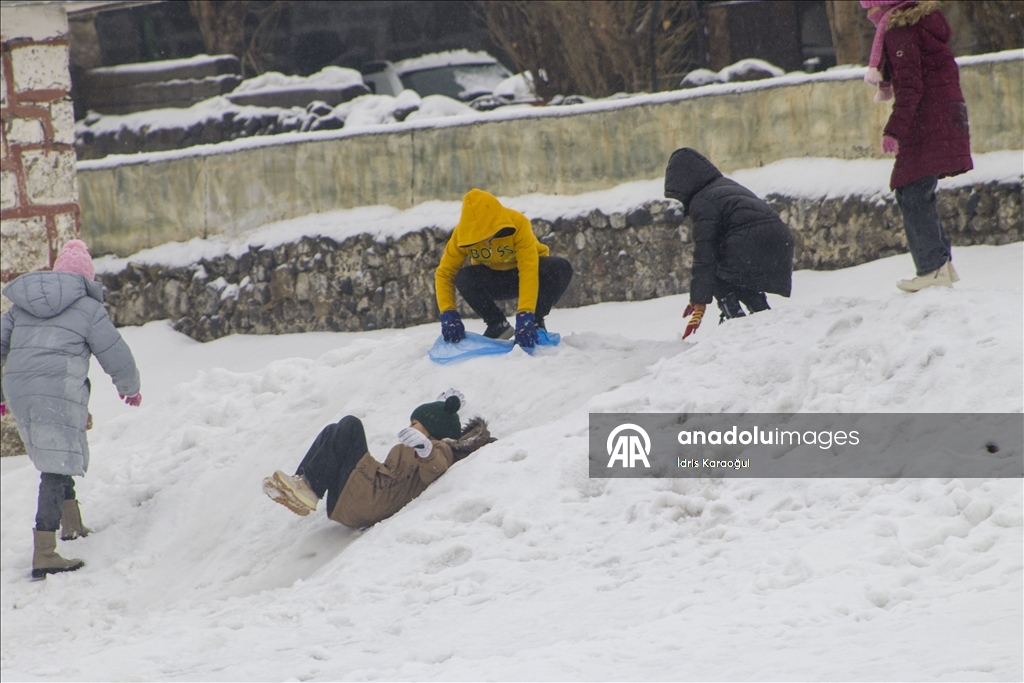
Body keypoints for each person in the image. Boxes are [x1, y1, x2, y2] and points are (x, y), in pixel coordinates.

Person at [0, 240, 142, 579]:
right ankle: (45, 552)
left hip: (20, 390)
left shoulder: (21, 307)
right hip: (58, 387)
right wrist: (130, 388)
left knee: (56, 452)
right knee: (55, 463)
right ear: (86, 279)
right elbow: (116, 353)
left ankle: (72, 525)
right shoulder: (88, 308)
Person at [861, 0, 973, 292]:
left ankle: (933, 268)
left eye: (870, 8)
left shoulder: (901, 31)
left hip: (928, 119)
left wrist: (893, 131)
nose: (868, 14)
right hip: (941, 115)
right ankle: (941, 266)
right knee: (917, 190)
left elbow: (911, 86)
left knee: (911, 190)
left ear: (886, 6)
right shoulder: (919, 25)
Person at [263, 390, 493, 528]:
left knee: (350, 425)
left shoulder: (440, 448)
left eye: (414, 423)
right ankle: (301, 484)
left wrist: (426, 449)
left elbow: (437, 467)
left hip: (373, 497)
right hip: (361, 500)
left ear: (432, 426)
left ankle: (307, 488)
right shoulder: (420, 445)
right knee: (332, 430)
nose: (410, 426)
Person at [663, 148, 794, 339]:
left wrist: (699, 300)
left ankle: (735, 319)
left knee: (714, 270)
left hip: (750, 242)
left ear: (684, 184)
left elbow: (704, 253)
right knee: (738, 275)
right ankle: (762, 313)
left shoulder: (702, 201)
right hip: (780, 240)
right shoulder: (725, 185)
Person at [435, 189, 573, 348]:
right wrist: (448, 313)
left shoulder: (518, 223)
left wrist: (526, 313)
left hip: (528, 276)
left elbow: (528, 268)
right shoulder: (461, 234)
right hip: (494, 280)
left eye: (487, 234)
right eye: (478, 238)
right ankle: (497, 324)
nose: (484, 242)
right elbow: (444, 273)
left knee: (559, 267)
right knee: (463, 277)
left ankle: (535, 322)